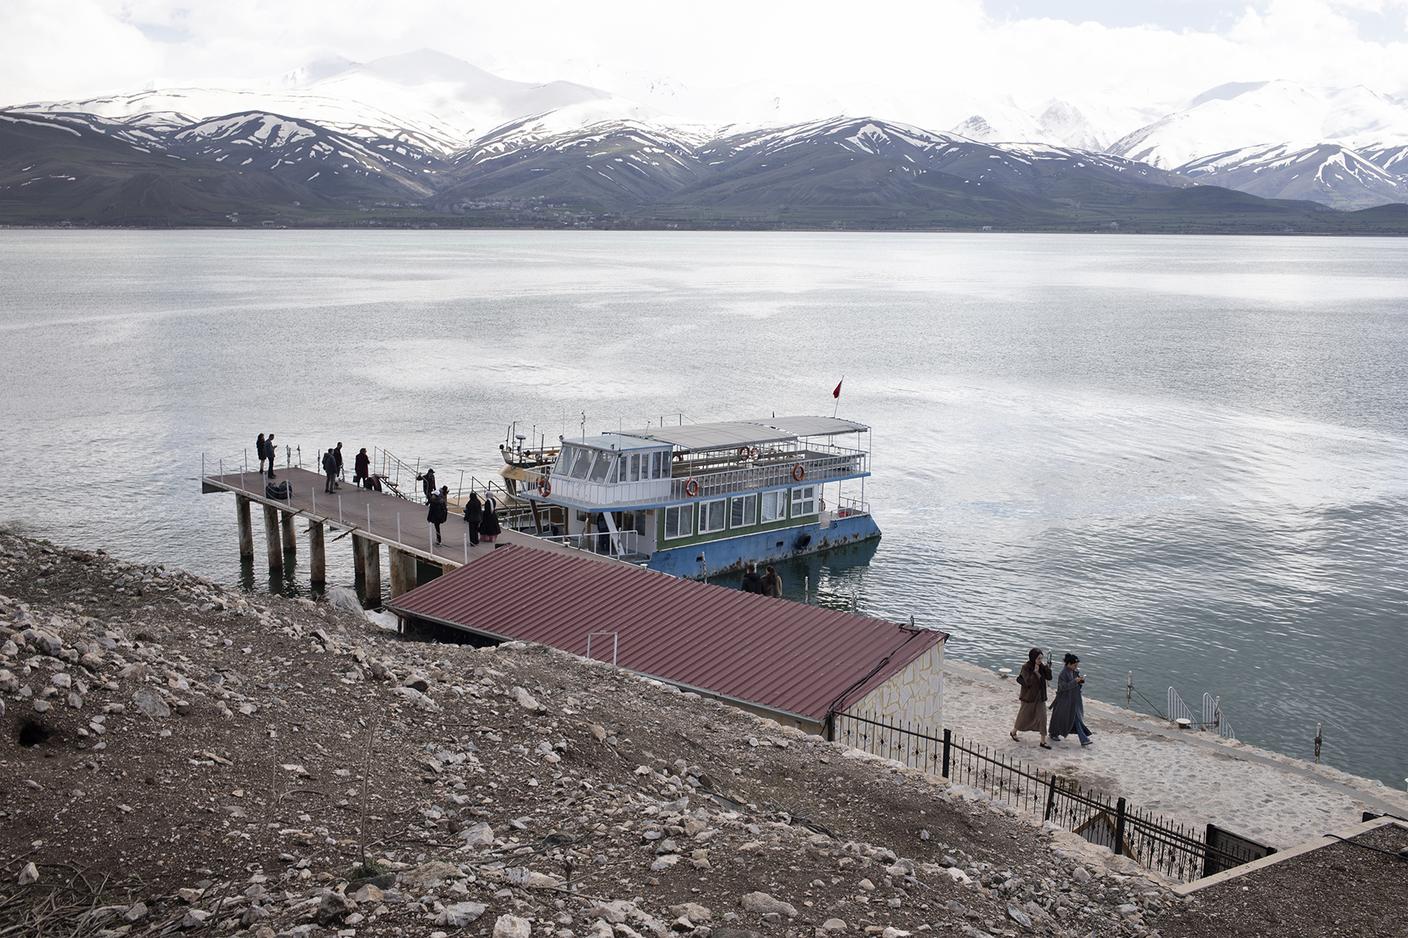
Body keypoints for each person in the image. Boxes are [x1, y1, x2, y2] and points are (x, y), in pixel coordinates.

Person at [1010, 648, 1053, 749]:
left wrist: (1048, 668)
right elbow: (1028, 682)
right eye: (1038, 658)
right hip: (1029, 697)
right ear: (1033, 658)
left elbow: (1049, 677)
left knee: (1043, 717)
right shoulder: (1026, 667)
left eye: (1041, 658)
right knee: (1023, 716)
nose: (1040, 661)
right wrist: (1035, 672)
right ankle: (1013, 731)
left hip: (1040, 696)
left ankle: (1043, 741)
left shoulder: (1041, 666)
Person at [1049, 653, 1093, 747]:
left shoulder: (1074, 672)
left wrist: (1080, 681)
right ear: (1069, 664)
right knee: (1059, 718)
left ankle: (1084, 739)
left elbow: (1076, 685)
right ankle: (1053, 733)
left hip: (1073, 700)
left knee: (1076, 719)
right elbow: (1062, 687)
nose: (1076, 667)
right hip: (1064, 700)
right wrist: (1075, 681)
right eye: (1074, 665)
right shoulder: (1063, 674)